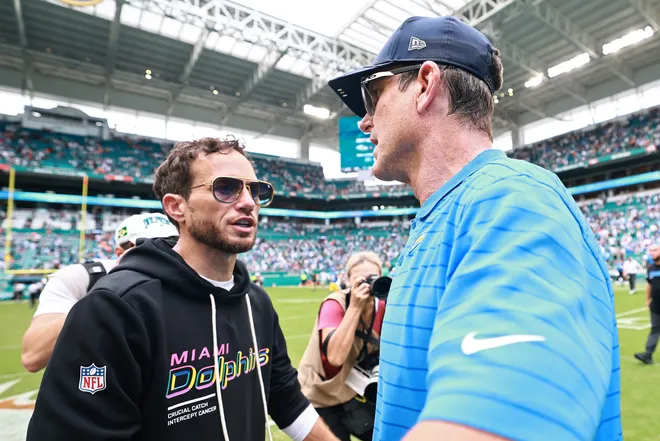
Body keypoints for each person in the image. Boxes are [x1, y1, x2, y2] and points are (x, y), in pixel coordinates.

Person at [328, 15, 621, 441]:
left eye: (373, 97)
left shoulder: (513, 199)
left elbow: (505, 418)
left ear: (426, 84)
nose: (364, 121)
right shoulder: (450, 214)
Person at [27, 137, 337, 441]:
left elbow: (285, 399)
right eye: (226, 188)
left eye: (255, 191)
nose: (247, 202)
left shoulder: (256, 302)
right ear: (177, 207)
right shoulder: (116, 307)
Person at [21, 212, 179, 373]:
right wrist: (107, 293)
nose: (164, 252)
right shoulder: (81, 277)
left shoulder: (187, 280)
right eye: (150, 245)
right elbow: (32, 356)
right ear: (120, 253)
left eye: (172, 244)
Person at [298, 252, 386, 441]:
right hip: (319, 392)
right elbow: (335, 357)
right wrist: (354, 307)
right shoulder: (335, 304)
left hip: (350, 390)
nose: (368, 285)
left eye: (374, 278)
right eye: (361, 280)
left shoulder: (385, 307)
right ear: (347, 281)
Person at [635, 243, 660, 364]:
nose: (652, 252)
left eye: (654, 250)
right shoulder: (651, 268)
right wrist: (648, 300)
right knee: (655, 330)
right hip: (656, 306)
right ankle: (647, 355)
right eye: (650, 251)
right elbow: (649, 284)